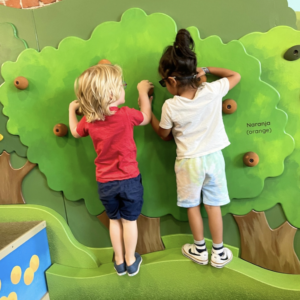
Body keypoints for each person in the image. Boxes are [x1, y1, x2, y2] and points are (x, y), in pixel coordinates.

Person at [150, 29, 241, 268]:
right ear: (193, 72)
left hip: (189, 161)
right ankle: (219, 253)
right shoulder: (211, 91)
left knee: (193, 206)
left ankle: (199, 249)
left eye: (164, 83)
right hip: (213, 158)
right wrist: (208, 71)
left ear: (171, 81)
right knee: (214, 205)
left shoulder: (170, 106)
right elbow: (235, 75)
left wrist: (147, 109)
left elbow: (163, 134)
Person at [69, 64, 153, 276]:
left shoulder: (89, 121)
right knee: (129, 221)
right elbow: (146, 117)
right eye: (122, 85)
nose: (124, 88)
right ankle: (131, 261)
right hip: (129, 180)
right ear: (111, 93)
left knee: (114, 220)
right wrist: (143, 92)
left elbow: (75, 133)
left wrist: (71, 110)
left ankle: (118, 261)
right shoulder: (126, 114)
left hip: (105, 183)